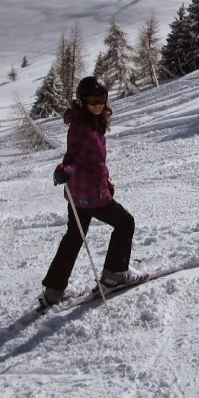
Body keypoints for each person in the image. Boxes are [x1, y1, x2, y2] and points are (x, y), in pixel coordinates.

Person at [38, 77, 144, 309]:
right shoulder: (83, 127)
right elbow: (75, 158)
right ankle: (115, 274)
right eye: (92, 100)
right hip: (90, 195)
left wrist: (105, 182)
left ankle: (54, 291)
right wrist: (66, 170)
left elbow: (93, 162)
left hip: (80, 193)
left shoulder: (89, 122)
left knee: (74, 237)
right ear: (82, 101)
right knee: (125, 223)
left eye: (101, 99)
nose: (97, 104)